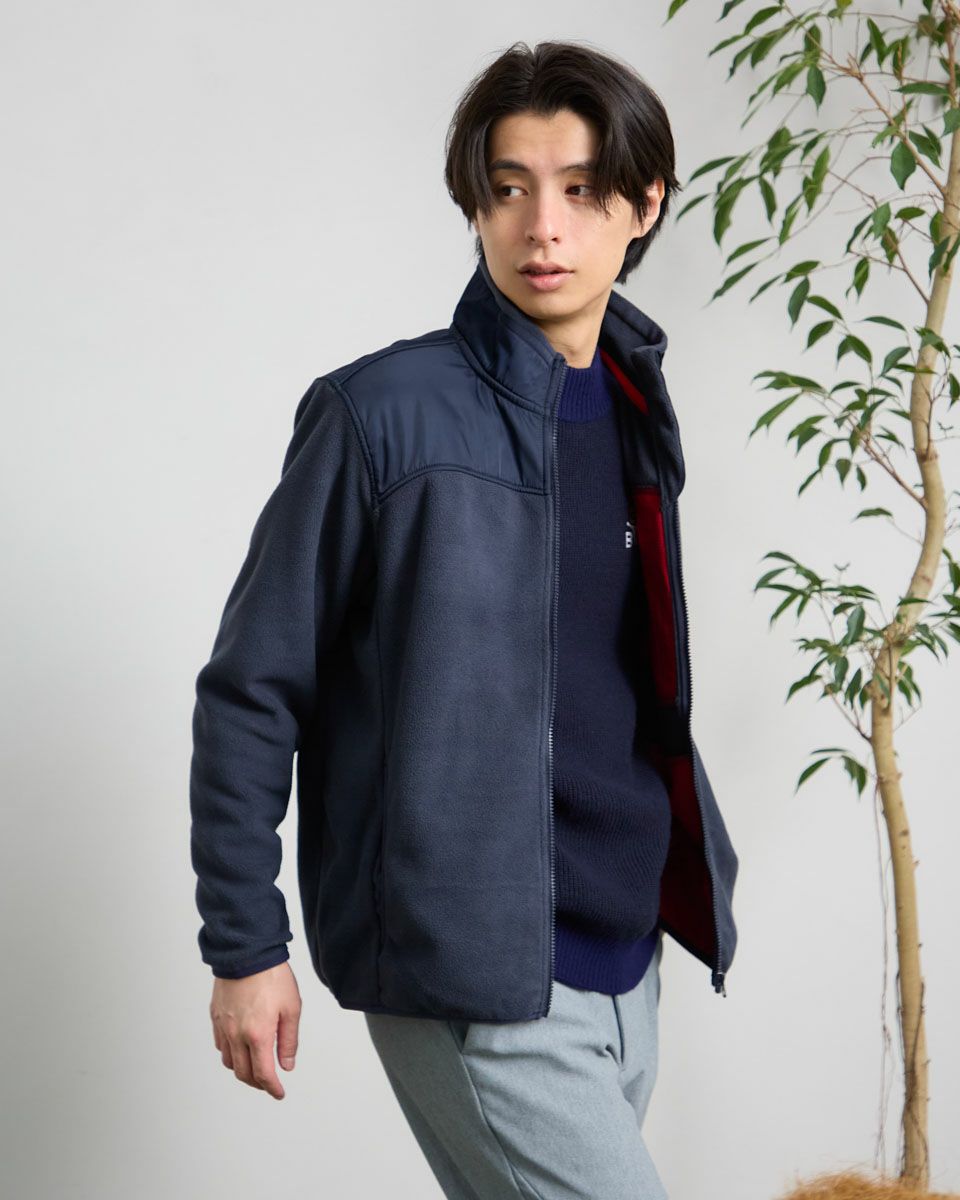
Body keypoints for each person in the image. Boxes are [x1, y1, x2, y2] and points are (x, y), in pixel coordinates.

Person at [189, 38, 739, 1200]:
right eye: (509, 188)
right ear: (475, 206)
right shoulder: (380, 414)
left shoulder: (634, 403)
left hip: (624, 950)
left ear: (644, 206)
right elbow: (253, 688)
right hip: (473, 959)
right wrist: (245, 944)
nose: (543, 227)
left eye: (581, 189)